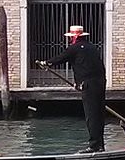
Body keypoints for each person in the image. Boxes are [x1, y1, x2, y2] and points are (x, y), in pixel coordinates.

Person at [37, 25, 106, 153]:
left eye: (71, 37)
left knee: (91, 115)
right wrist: (78, 82)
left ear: (75, 37)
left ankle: (94, 145)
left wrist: (46, 63)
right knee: (99, 114)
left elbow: (60, 59)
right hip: (100, 83)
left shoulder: (73, 48)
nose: (70, 40)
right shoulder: (92, 47)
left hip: (89, 85)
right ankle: (100, 144)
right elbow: (89, 66)